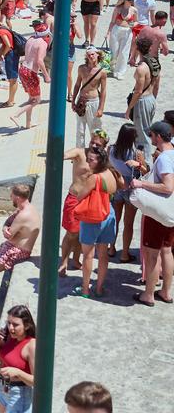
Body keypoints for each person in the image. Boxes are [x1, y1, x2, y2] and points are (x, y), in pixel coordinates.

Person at [131, 120, 174, 306]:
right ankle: (165, 292)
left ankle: (148, 295)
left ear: (158, 136)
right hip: (170, 211)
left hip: (159, 212)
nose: (151, 138)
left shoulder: (164, 158)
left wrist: (142, 184)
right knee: (167, 251)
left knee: (151, 253)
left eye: (152, 135)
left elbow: (167, 186)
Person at [71, 139, 121, 298]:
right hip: (108, 213)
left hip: (93, 217)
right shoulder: (112, 172)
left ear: (100, 161)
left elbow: (80, 196)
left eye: (91, 160)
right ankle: (99, 288)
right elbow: (122, 185)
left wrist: (76, 190)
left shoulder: (94, 178)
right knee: (103, 254)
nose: (88, 162)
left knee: (88, 255)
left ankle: (85, 290)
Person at [0, 184, 41, 291]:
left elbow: (8, 235)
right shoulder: (27, 208)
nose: (10, 198)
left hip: (17, 251)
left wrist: (5, 228)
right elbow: (9, 221)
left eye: (12, 195)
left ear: (18, 198)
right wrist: (6, 226)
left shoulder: (23, 215)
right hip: (12, 247)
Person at [108, 122, 145, 264]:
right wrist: (140, 165)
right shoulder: (137, 153)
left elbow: (109, 166)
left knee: (115, 220)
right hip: (131, 189)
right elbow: (145, 171)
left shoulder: (111, 149)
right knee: (128, 224)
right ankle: (124, 254)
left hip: (117, 187)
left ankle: (111, 248)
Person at [0, 305, 36, 413]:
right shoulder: (9, 337)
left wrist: (18, 373)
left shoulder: (31, 345)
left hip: (19, 394)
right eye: (8, 323)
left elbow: (37, 381)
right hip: (3, 388)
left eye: (15, 325)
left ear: (26, 326)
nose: (10, 327)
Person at [10, 22, 49, 130]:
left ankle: (28, 123)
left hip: (23, 69)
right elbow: (40, 61)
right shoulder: (42, 43)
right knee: (37, 100)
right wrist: (46, 75)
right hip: (31, 72)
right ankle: (16, 115)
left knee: (31, 98)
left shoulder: (31, 39)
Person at [127, 35, 161, 152]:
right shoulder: (154, 63)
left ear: (137, 49)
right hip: (151, 98)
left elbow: (138, 91)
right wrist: (153, 99)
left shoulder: (141, 68)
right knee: (145, 131)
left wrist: (129, 109)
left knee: (141, 136)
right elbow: (157, 84)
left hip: (142, 101)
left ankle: (145, 164)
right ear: (150, 48)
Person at [71, 47, 107, 148]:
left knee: (95, 130)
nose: (90, 56)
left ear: (98, 55)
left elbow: (103, 91)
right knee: (80, 130)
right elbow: (77, 85)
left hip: (94, 102)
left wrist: (101, 108)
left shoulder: (102, 72)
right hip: (81, 101)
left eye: (92, 54)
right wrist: (73, 101)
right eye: (88, 55)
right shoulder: (81, 68)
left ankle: (96, 151)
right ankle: (80, 153)